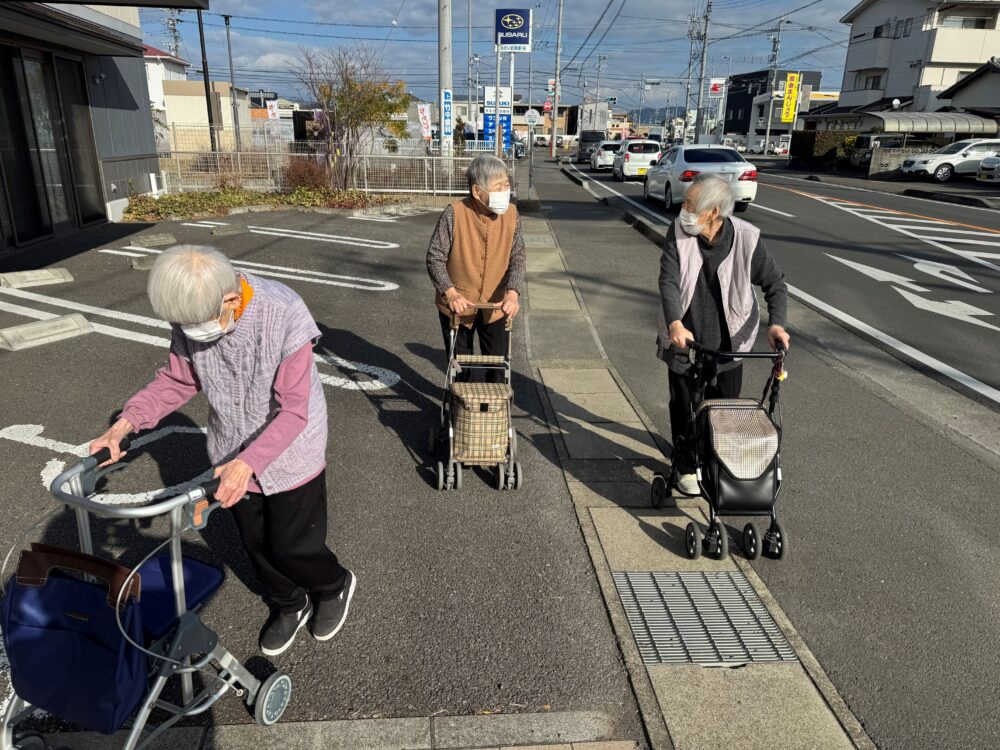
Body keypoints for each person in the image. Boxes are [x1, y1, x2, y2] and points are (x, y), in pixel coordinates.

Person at [89, 245, 355, 657]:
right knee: (255, 542)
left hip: (291, 447)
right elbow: (177, 381)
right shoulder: (194, 311)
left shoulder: (284, 312)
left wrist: (248, 464)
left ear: (231, 299)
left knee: (292, 544)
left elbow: (294, 409)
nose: (190, 332)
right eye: (183, 325)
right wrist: (125, 423)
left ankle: (332, 584)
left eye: (196, 324)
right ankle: (289, 603)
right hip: (230, 445)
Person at [658, 174, 790, 495]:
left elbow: (775, 283)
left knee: (725, 410)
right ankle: (687, 465)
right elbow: (669, 281)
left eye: (691, 205)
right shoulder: (678, 232)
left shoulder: (747, 239)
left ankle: (717, 462)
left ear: (713, 212)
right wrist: (675, 322)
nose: (683, 209)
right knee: (684, 403)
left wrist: (777, 324)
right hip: (685, 339)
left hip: (730, 345)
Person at [426, 154, 526, 382]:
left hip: (497, 303)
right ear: (477, 191)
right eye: (498, 187)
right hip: (457, 305)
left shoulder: (512, 215)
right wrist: (449, 292)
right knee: (461, 369)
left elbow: (518, 256)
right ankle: (461, 414)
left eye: (507, 185)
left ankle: (494, 416)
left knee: (499, 368)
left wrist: (512, 293)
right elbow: (434, 256)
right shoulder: (455, 213)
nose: (505, 191)